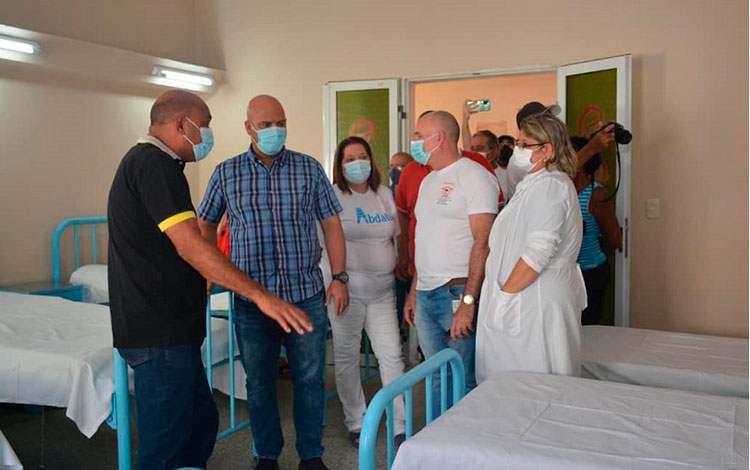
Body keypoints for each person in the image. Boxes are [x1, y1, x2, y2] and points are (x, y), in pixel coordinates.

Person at [108, 90, 311, 470]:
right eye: (206, 126)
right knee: (163, 446)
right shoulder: (153, 166)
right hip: (158, 334)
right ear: (182, 125)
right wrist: (261, 296)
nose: (208, 134)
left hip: (174, 332)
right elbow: (192, 245)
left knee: (200, 425)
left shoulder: (160, 167)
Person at [197, 95, 347, 470]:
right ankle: (267, 455)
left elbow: (331, 224)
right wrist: (209, 270)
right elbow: (205, 224)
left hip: (304, 296)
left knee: (310, 380)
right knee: (260, 384)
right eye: (265, 125)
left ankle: (311, 455)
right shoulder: (226, 173)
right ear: (248, 128)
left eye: (280, 122)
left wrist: (340, 277)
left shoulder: (308, 168)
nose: (274, 130)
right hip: (252, 301)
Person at [475, 113, 587, 383]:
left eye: (525, 144)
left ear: (546, 150)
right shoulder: (534, 185)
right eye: (518, 142)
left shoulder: (550, 186)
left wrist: (503, 299)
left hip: (533, 299)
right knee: (514, 381)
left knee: (535, 381)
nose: (517, 150)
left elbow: (538, 252)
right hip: (522, 297)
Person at [404, 110, 499, 412]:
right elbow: (425, 241)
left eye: (419, 135)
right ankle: (436, 448)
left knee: (462, 379)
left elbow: (484, 244)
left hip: (456, 295)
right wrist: (413, 292)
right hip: (426, 295)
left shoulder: (474, 176)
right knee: (434, 377)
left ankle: (465, 451)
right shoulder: (428, 181)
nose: (414, 141)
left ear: (439, 138)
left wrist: (469, 303)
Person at [325, 136, 406, 448]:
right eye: (349, 159)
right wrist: (336, 280)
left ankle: (400, 423)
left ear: (371, 161)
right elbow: (324, 245)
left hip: (383, 290)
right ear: (340, 165)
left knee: (392, 356)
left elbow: (395, 236)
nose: (357, 163)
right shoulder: (332, 196)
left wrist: (400, 262)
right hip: (347, 292)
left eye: (362, 157)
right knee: (346, 357)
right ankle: (356, 421)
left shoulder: (383, 194)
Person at [505, 101, 615, 200]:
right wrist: (591, 148)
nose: (553, 124)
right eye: (547, 121)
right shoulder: (523, 159)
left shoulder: (542, 151)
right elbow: (562, 172)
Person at [570, 136, 623, 325]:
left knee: (588, 328)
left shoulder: (595, 193)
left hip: (590, 273)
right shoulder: (560, 191)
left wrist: (591, 255)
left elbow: (614, 237)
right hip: (567, 274)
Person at [389, 152, 413, 343]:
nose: (396, 171)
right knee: (393, 311)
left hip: (416, 263)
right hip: (392, 265)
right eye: (393, 166)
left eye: (401, 166)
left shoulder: (419, 189)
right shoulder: (384, 195)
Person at [461, 100, 501, 168]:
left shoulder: (505, 174)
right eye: (473, 149)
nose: (475, 152)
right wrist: (465, 119)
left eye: (480, 148)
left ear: (494, 151)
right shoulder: (473, 169)